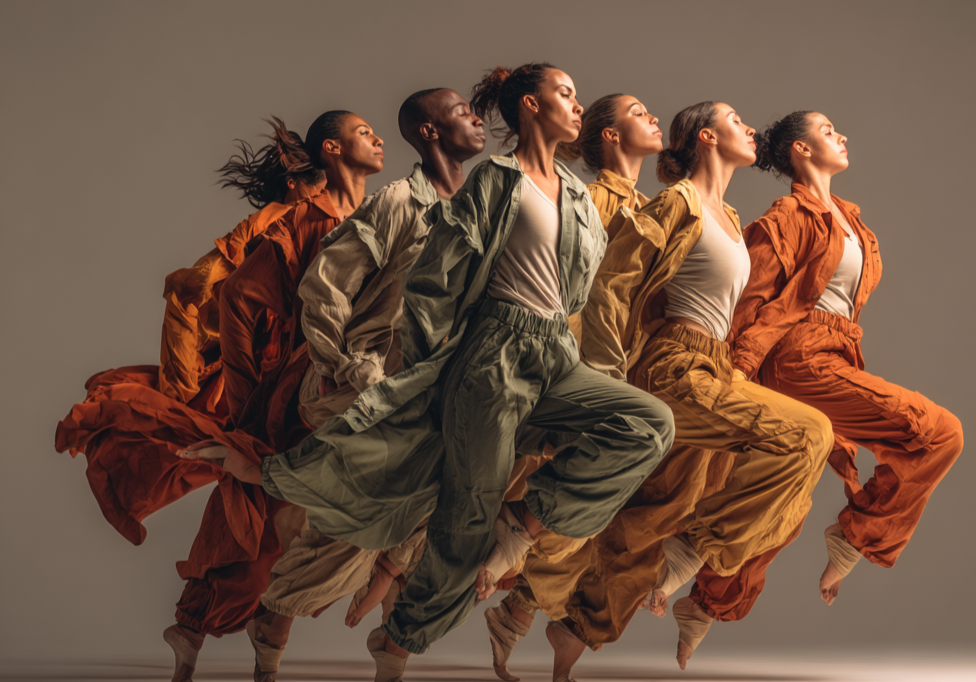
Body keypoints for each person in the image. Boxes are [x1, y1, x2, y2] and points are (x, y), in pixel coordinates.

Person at [183, 64, 674, 682]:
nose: (579, 105)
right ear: (530, 105)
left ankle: (518, 530)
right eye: (566, 94)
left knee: (648, 424)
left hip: (554, 353)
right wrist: (408, 370)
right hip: (492, 354)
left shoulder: (576, 194)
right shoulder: (491, 182)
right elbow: (429, 287)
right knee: (454, 521)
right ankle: (396, 638)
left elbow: (580, 293)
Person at [213, 88, 489, 682]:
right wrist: (348, 368)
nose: (477, 119)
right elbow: (324, 286)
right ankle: (279, 621)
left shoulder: (477, 210)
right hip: (365, 386)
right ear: (429, 132)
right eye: (460, 111)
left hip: (431, 386)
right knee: (358, 522)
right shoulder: (396, 201)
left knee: (443, 499)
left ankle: (377, 624)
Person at [553, 101, 834, 679]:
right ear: (707, 138)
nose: (751, 129)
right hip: (675, 367)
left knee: (659, 509)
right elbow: (613, 283)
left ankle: (570, 627)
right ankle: (687, 557)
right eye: (736, 121)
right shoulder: (677, 202)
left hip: (716, 366)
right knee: (810, 436)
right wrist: (605, 376)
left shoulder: (729, 214)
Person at [53, 119, 324, 682]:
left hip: (301, 384)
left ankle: (216, 632)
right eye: (315, 178)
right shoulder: (273, 223)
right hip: (267, 387)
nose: (325, 186)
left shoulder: (320, 220)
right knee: (266, 509)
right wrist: (194, 382)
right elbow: (194, 287)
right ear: (297, 183)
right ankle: (216, 632)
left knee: (280, 510)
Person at [167, 109, 384, 682]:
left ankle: (253, 639)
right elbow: (238, 295)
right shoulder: (305, 219)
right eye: (364, 132)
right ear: (333, 149)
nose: (378, 138)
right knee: (269, 514)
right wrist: (246, 400)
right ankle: (200, 629)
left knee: (318, 516)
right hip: (300, 387)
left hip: (355, 384)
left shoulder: (374, 215)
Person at [730, 110, 963, 606]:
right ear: (801, 149)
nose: (843, 136)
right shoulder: (785, 219)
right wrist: (736, 372)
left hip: (838, 353)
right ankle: (854, 537)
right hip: (798, 360)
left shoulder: (852, 221)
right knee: (938, 431)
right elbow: (750, 303)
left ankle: (707, 601)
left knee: (786, 495)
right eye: (829, 131)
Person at [484, 92, 664, 682]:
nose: (653, 118)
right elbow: (590, 294)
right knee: (559, 505)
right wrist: (600, 375)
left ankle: (513, 613)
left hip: (624, 373)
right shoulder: (596, 200)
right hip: (584, 370)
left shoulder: (646, 205)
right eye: (638, 113)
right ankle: (417, 608)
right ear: (609, 138)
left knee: (593, 514)